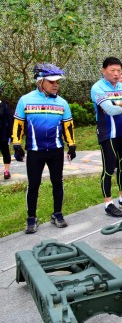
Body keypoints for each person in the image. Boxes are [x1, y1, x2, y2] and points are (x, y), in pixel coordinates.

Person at [12, 64, 76, 233]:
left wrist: (72, 145)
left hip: (56, 150)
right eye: (52, 82)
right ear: (40, 82)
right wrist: (17, 144)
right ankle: (31, 218)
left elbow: (68, 126)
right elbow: (18, 124)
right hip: (35, 150)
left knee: (57, 182)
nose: (56, 85)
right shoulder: (25, 100)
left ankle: (57, 214)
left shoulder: (62, 103)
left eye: (57, 82)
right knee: (33, 184)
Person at [91, 57, 122, 217]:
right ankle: (108, 203)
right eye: (112, 70)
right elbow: (110, 110)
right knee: (109, 168)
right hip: (107, 133)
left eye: (119, 70)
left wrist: (117, 103)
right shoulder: (97, 88)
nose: (116, 74)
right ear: (103, 70)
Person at [0, 84, 12, 180]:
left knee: (5, 152)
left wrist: (10, 135)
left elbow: (10, 121)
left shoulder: (4, 106)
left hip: (3, 135)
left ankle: (6, 171)